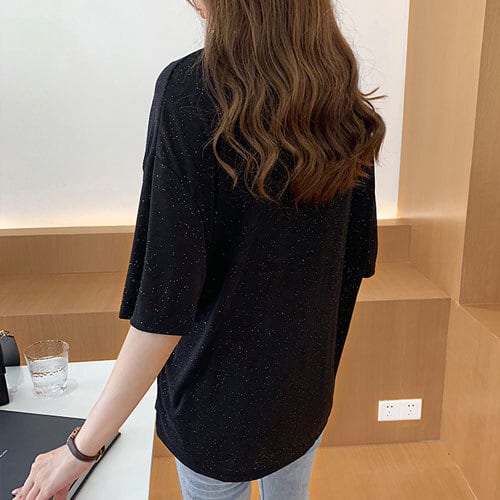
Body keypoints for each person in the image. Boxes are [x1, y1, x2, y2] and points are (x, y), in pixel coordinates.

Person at [12, 0, 385, 498]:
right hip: (303, 398)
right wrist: (307, 378)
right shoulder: (340, 95)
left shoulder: (189, 93)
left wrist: (80, 450)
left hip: (214, 415)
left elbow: (164, 306)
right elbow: (351, 266)